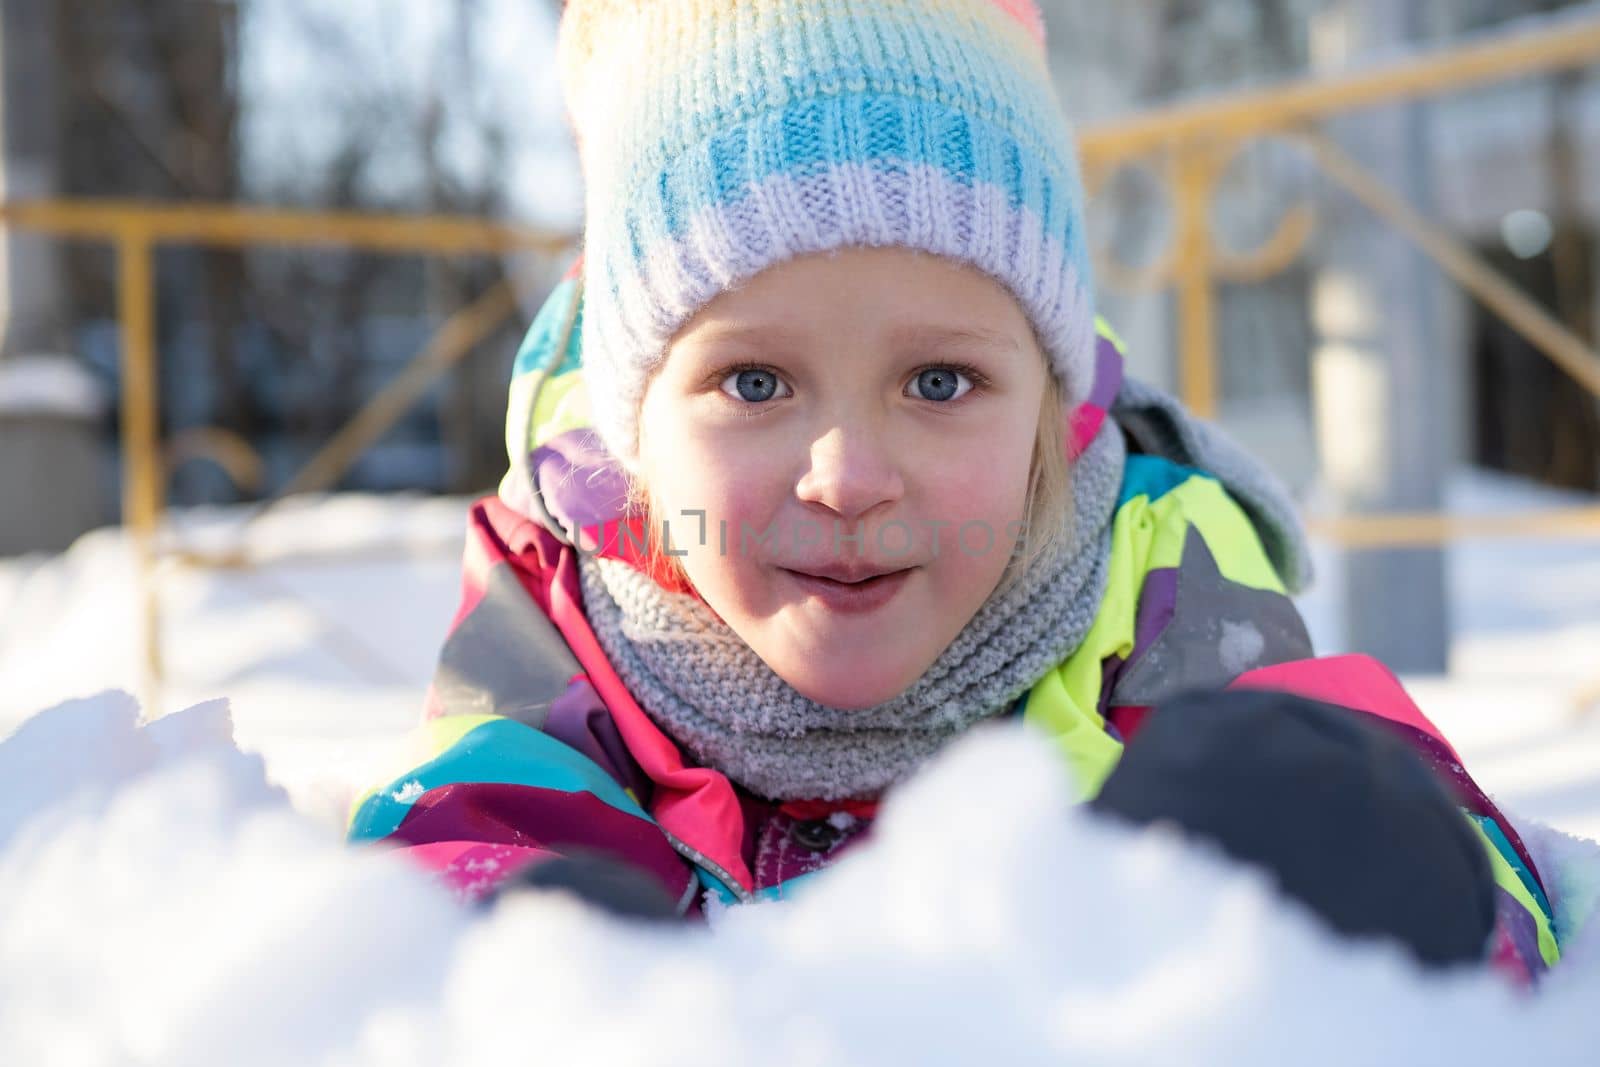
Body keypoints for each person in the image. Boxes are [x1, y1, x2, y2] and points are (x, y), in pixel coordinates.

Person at [347, 0, 1558, 981]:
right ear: (635, 426)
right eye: (754, 380)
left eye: (938, 379)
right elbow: (458, 838)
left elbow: (1482, 883)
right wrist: (530, 955)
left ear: (1047, 394)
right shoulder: (561, 583)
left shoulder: (1148, 558)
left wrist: (1355, 871)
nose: (849, 474)